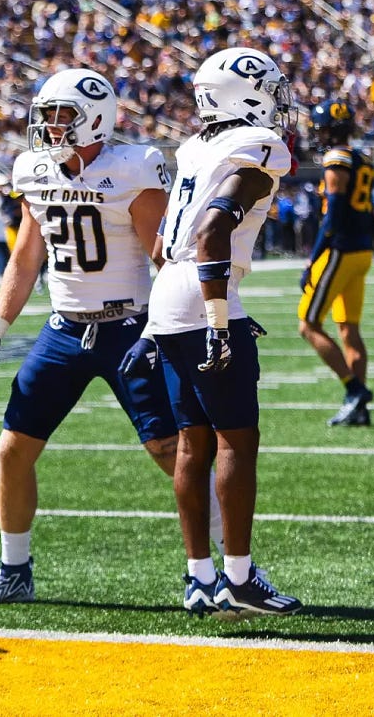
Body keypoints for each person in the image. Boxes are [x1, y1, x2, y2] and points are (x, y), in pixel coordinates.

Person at [0, 69, 221, 606]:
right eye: (46, 116)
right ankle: (13, 570)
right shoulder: (33, 169)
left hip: (130, 326)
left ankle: (225, 567)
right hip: (63, 329)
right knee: (12, 449)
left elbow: (162, 255)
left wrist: (169, 325)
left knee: (169, 449)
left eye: (61, 116)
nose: (50, 128)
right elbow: (27, 255)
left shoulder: (132, 169)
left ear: (96, 119)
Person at [120, 47, 303, 619]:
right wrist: (221, 322)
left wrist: (170, 317)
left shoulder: (197, 146)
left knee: (193, 444)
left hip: (170, 296)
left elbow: (159, 247)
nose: (278, 102)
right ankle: (239, 580)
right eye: (271, 90)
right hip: (203, 297)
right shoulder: (258, 146)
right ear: (245, 94)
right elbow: (212, 231)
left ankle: (200, 578)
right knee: (235, 442)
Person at [298, 101, 374, 427]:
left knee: (308, 324)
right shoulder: (361, 158)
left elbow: (332, 218)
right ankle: (358, 410)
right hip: (362, 252)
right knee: (349, 331)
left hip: (340, 251)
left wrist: (313, 258)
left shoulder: (337, 159)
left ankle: (354, 389)